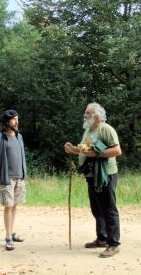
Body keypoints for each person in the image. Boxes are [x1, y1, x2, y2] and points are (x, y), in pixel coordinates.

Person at [64, 102, 122, 258]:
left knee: (108, 209)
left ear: (97, 116)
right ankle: (102, 239)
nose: (85, 115)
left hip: (106, 175)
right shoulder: (89, 130)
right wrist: (73, 149)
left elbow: (117, 150)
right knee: (97, 209)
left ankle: (114, 244)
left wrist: (96, 154)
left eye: (88, 113)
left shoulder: (106, 129)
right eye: (85, 113)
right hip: (91, 175)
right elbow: (86, 150)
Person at [0, 109, 27, 251]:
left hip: (20, 178)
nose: (17, 121)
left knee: (15, 205)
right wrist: (1, 172)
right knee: (8, 206)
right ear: (7, 122)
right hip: (7, 179)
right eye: (14, 119)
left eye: (17, 119)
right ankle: (8, 237)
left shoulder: (20, 137)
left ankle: (12, 232)